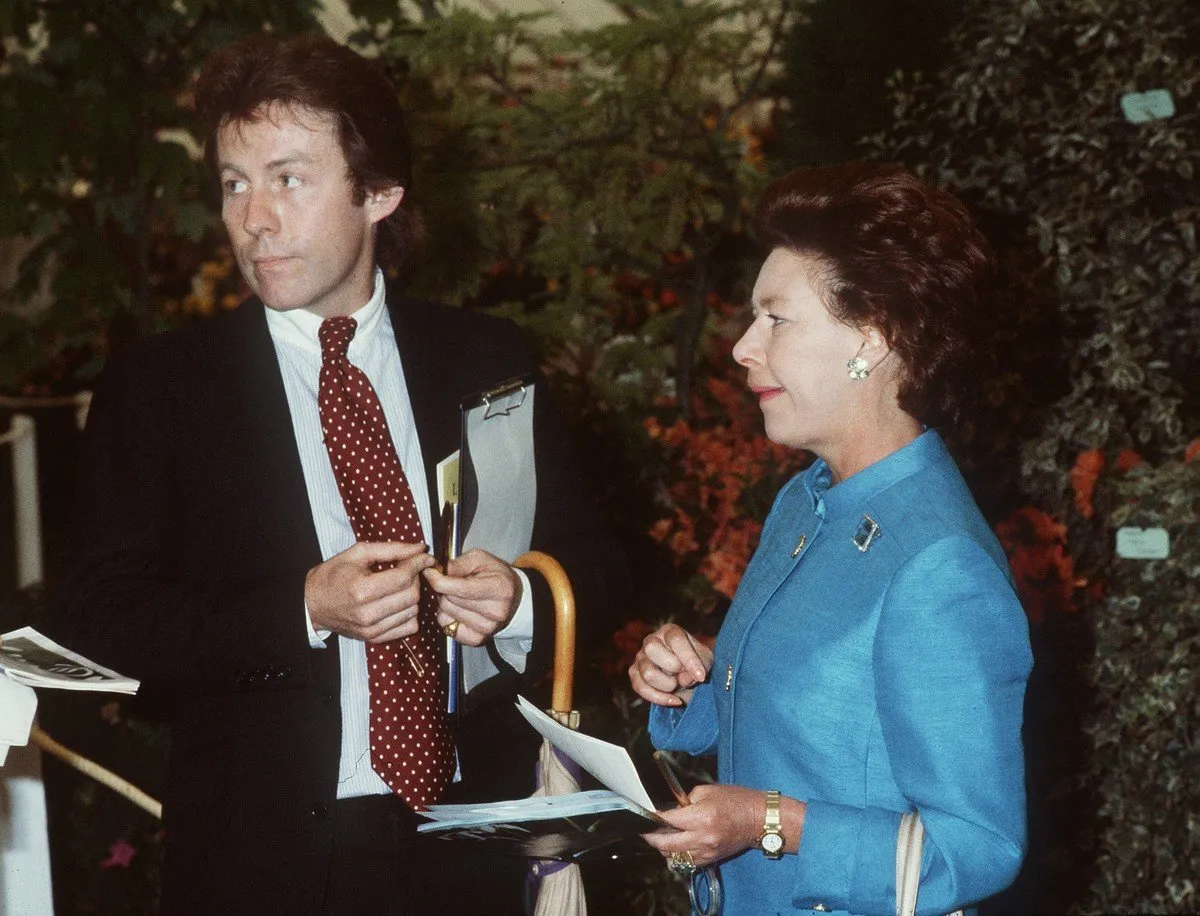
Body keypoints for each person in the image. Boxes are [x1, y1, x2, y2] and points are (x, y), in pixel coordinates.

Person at [48, 32, 625, 915]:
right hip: (267, 855)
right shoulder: (162, 386)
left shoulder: (487, 357)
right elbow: (97, 619)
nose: (254, 219)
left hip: (471, 840)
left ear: (380, 194)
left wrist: (517, 605)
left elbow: (596, 565)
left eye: (288, 178)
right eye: (234, 184)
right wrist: (303, 608)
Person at [629, 163, 1032, 916]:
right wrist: (701, 674)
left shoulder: (941, 565)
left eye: (776, 319)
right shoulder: (809, 499)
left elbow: (977, 848)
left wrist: (767, 823)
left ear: (872, 339)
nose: (743, 347)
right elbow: (830, 712)